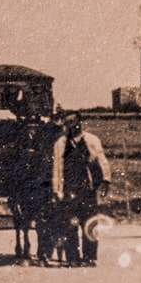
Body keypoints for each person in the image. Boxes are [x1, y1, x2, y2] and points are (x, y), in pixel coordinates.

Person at [50, 112, 111, 266]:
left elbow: (102, 161)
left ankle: (89, 257)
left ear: (80, 122)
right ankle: (73, 257)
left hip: (87, 189)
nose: (70, 125)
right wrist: (57, 190)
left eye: (73, 122)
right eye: (67, 122)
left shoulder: (92, 140)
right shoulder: (61, 143)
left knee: (89, 223)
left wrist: (106, 181)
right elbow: (57, 168)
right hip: (69, 189)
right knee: (70, 224)